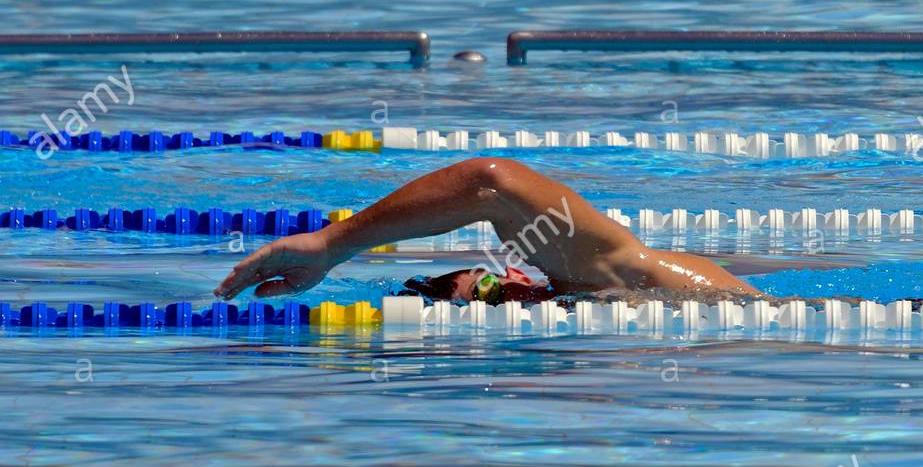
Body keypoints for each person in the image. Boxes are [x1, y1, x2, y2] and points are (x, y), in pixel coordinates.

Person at [214, 157, 760, 304]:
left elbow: (489, 181)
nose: (508, 286)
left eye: (493, 281)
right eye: (491, 298)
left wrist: (331, 244)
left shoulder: (614, 272)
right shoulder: (593, 304)